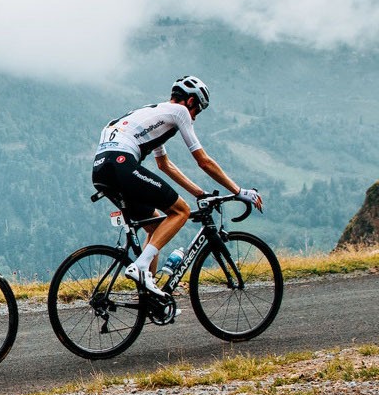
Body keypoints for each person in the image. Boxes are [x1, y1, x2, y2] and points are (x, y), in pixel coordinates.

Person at [93, 76, 263, 297]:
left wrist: (199, 193)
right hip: (121, 164)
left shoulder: (155, 116)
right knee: (180, 211)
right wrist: (239, 191)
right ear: (190, 101)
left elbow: (164, 165)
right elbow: (203, 161)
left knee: (155, 228)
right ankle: (140, 267)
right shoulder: (179, 112)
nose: (194, 117)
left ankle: (149, 295)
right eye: (197, 111)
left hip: (100, 170)